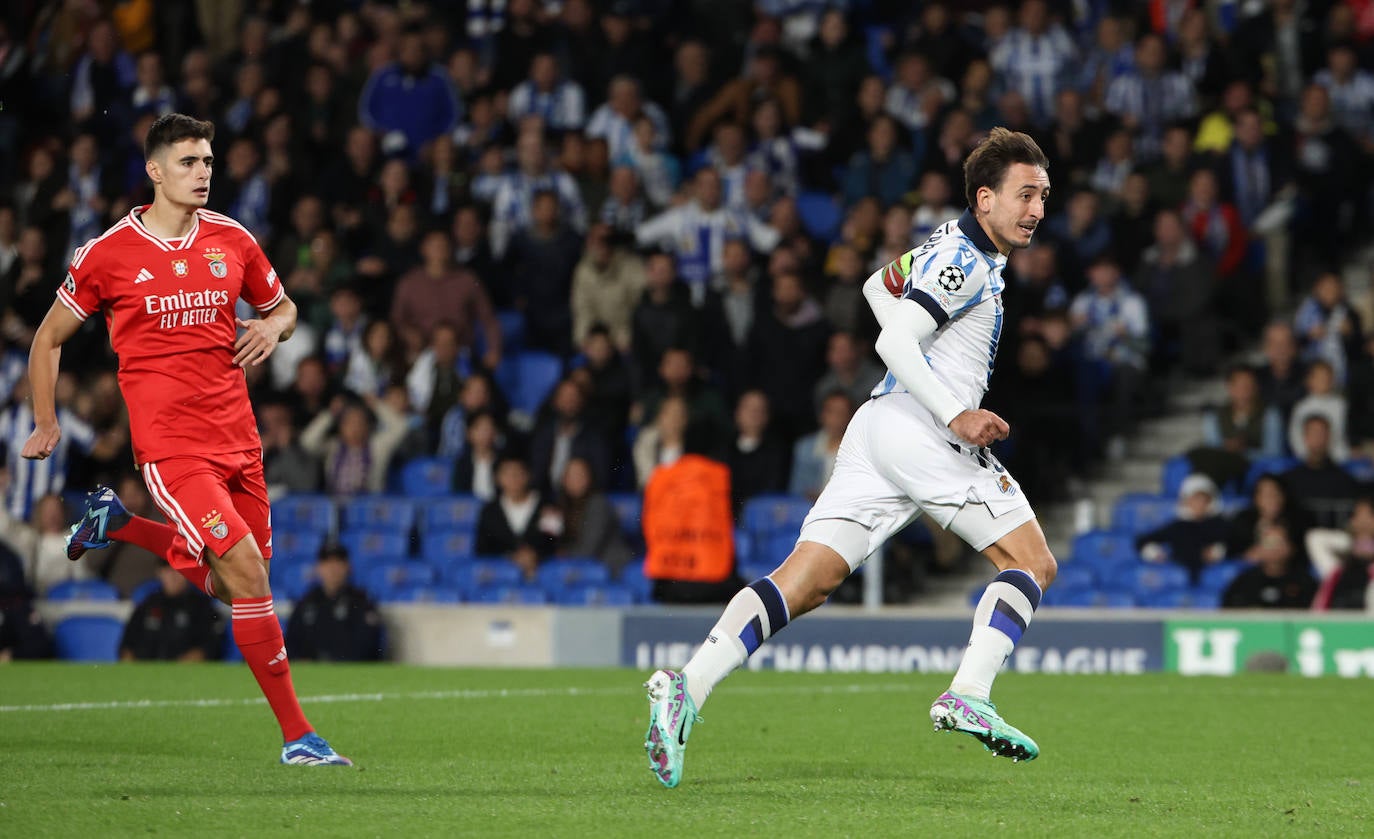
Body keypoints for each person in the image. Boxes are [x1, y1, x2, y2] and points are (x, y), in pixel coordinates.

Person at [642, 128, 1059, 787]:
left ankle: (684, 684)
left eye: (1043, 196)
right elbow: (895, 339)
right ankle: (969, 692)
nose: (1037, 209)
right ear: (985, 198)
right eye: (1025, 194)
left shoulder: (947, 246)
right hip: (922, 428)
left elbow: (874, 287)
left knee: (805, 582)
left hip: (876, 429)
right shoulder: (967, 261)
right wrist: (956, 412)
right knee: (1031, 561)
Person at [20, 114, 350, 765]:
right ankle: (299, 737)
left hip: (240, 440)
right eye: (190, 162)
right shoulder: (107, 254)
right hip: (173, 448)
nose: (203, 172)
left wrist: (272, 329)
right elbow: (46, 339)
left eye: (207, 161)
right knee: (250, 571)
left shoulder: (233, 238)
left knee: (234, 589)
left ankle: (117, 523)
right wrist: (46, 420)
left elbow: (281, 306)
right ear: (155, 170)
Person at [285, 544, 384, 662]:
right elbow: (292, 641)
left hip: (350, 671)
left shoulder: (361, 602)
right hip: (313, 671)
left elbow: (370, 644)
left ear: (348, 567)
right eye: (327, 563)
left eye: (338, 562)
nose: (332, 568)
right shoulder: (306, 603)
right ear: (318, 568)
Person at [120, 566, 224, 662]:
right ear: (159, 572)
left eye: (178, 571)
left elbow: (210, 647)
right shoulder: (148, 604)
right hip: (144, 673)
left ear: (188, 574)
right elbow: (127, 646)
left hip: (184, 674)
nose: (173, 576)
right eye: (167, 570)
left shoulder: (201, 606)